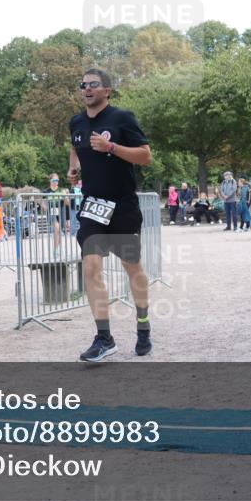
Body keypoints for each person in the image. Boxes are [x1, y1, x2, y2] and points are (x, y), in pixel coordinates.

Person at [68, 67, 153, 362]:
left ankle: (143, 326)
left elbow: (145, 156)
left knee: (133, 269)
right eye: (83, 85)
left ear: (107, 91)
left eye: (93, 84)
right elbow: (75, 147)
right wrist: (74, 166)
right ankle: (104, 338)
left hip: (123, 206)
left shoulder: (122, 119)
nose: (87, 89)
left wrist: (111, 147)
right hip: (93, 207)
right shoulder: (76, 122)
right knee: (91, 268)